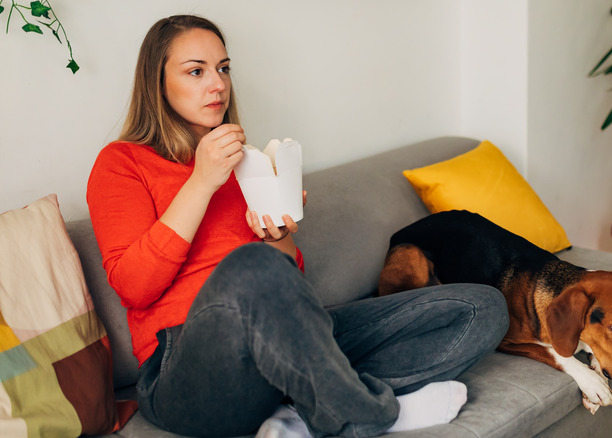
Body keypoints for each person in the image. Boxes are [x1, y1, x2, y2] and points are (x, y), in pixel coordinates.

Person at [87, 15, 508, 438]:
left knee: (482, 308)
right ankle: (370, 415)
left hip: (290, 345)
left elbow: (288, 285)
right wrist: (201, 181)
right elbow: (133, 286)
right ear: (157, 83)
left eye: (223, 68)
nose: (217, 84)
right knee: (252, 264)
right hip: (184, 370)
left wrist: (279, 237)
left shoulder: (246, 163)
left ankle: (302, 414)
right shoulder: (122, 162)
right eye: (196, 71)